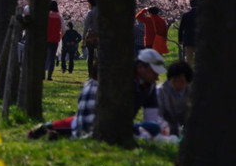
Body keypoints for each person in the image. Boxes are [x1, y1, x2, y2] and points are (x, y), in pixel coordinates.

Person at [28, 48, 167, 140]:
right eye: (154, 72)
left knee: (77, 121)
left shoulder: (148, 87)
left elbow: (151, 117)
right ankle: (53, 129)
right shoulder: (123, 81)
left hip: (106, 121)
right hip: (108, 123)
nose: (156, 76)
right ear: (141, 67)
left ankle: (51, 127)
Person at [158, 60, 194, 137]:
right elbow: (158, 114)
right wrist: (164, 126)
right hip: (167, 126)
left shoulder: (193, 91)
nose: (177, 85)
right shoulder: (161, 91)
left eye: (181, 82)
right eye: (174, 81)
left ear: (188, 81)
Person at [46, 0, 63, 81]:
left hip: (46, 39)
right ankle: (49, 76)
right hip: (55, 39)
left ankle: (42, 74)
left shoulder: (46, 16)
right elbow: (64, 29)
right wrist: (60, 36)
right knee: (52, 58)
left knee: (44, 57)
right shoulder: (59, 17)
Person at [82, 0, 100, 74]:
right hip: (100, 38)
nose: (88, 6)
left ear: (91, 4)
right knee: (100, 56)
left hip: (91, 37)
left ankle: (90, 73)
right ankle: (99, 72)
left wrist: (83, 38)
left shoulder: (90, 13)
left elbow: (86, 26)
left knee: (90, 56)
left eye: (88, 4)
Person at [178, 0, 197, 67]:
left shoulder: (186, 15)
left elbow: (181, 28)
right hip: (199, 40)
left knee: (189, 59)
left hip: (188, 40)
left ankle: (189, 74)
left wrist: (180, 40)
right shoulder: (203, 15)